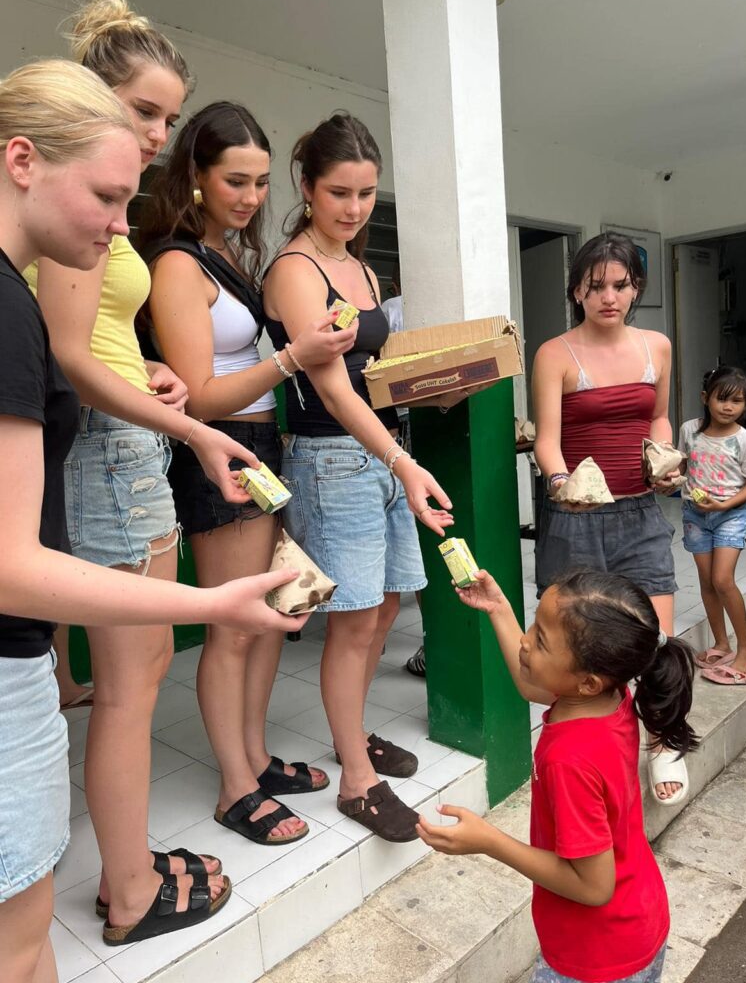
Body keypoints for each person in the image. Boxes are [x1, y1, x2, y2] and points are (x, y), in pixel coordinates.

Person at [0, 57, 311, 983]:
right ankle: (131, 889)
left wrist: (169, 405)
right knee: (23, 932)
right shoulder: (19, 300)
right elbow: (11, 563)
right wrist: (218, 606)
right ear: (24, 159)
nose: (113, 222)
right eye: (104, 193)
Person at [140, 100, 361, 844]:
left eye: (263, 183)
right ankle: (235, 786)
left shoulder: (230, 255)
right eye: (235, 181)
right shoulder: (177, 261)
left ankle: (257, 756)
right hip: (218, 452)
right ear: (195, 176)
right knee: (235, 627)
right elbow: (198, 394)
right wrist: (295, 356)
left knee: (272, 619)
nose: (250, 197)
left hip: (262, 450)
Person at [262, 112, 456, 842]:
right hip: (330, 460)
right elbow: (335, 389)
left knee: (380, 614)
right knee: (350, 627)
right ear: (306, 187)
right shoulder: (293, 270)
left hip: (376, 452)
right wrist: (403, 461)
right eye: (339, 192)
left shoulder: (364, 268)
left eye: (368, 193)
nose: (354, 208)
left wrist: (431, 386)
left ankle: (355, 734)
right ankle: (355, 777)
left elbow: (375, 373)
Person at [418, 567, 698, 983]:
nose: (527, 642)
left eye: (541, 640)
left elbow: (593, 887)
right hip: (635, 918)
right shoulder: (612, 696)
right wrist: (498, 609)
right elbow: (532, 684)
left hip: (597, 956)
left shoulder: (569, 759)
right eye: (533, 624)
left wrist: (489, 841)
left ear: (587, 681)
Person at [531, 231, 686, 805]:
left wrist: (662, 460)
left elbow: (661, 418)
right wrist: (559, 483)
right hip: (576, 517)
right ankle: (588, 748)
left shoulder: (657, 347)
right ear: (577, 290)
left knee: (657, 637)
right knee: (577, 643)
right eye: (595, 286)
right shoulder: (555, 353)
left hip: (640, 510)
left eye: (620, 285)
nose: (609, 296)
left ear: (636, 287)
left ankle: (663, 740)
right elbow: (548, 441)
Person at [678, 366, 746, 684]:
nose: (728, 407)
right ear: (706, 398)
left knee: (723, 579)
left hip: (730, 515)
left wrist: (724, 504)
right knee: (706, 581)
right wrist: (667, 478)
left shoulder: (745, 442)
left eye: (737, 401)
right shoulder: (690, 431)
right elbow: (683, 466)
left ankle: (745, 649)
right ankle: (721, 643)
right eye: (722, 399)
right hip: (695, 515)